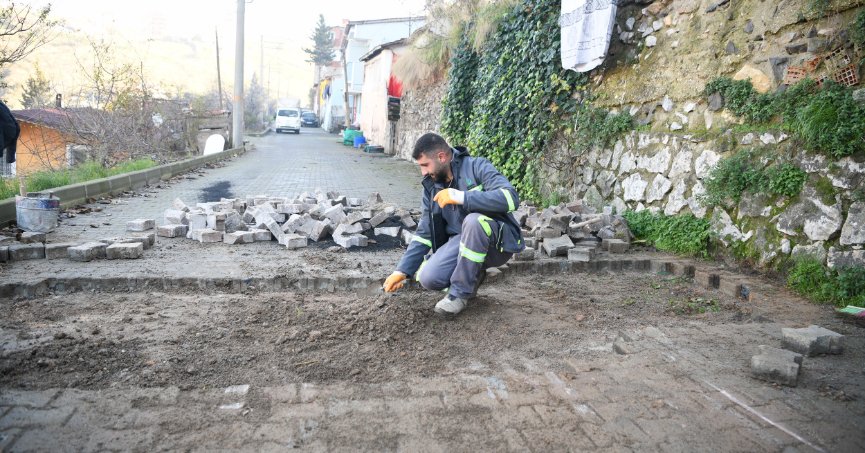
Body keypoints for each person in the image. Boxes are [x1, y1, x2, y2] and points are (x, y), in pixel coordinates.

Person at [382, 133, 525, 316]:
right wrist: (402, 270)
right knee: (428, 278)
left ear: (441, 157)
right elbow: (425, 232)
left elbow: (510, 198)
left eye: (425, 165)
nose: (423, 172)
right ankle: (473, 275)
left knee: (473, 222)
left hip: (497, 243)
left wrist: (462, 197)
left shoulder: (477, 166)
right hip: (462, 242)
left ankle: (458, 294)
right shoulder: (432, 187)